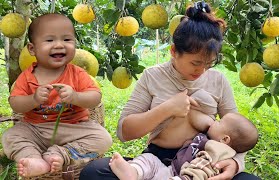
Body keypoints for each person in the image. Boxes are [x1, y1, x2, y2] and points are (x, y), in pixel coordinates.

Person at [80, 1, 259, 180]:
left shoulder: (218, 80)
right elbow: (124, 132)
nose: (202, 70)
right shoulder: (152, 76)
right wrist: (167, 109)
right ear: (174, 51)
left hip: (200, 163)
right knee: (94, 172)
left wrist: (234, 164)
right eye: (196, 63)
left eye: (209, 64)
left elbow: (238, 132)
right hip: (158, 158)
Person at [1, 13, 112, 178]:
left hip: (73, 128)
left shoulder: (77, 73)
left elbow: (95, 98)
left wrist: (75, 96)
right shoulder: (26, 76)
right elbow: (15, 103)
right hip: (35, 129)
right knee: (10, 136)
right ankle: (33, 158)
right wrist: (34, 99)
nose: (59, 45)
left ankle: (62, 154)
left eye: (67, 40)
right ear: (32, 49)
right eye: (49, 40)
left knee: (103, 138)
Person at [108, 108, 259, 180]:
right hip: (170, 168)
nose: (215, 121)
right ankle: (132, 172)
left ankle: (135, 172)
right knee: (149, 159)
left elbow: (201, 169)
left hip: (185, 176)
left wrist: (235, 164)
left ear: (225, 139)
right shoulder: (210, 139)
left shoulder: (217, 150)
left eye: (219, 122)